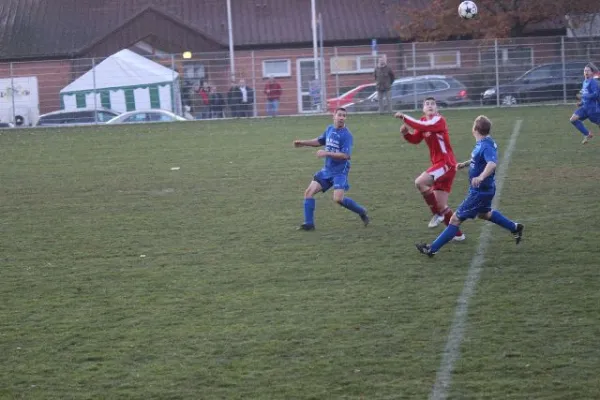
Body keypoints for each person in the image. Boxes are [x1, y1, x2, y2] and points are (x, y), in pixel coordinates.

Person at [415, 115, 524, 257]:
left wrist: (481, 177)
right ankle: (515, 227)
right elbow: (479, 159)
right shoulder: (485, 141)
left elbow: (491, 164)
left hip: (480, 191)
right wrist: (465, 164)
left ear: (475, 130)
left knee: (455, 219)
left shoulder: (485, 145)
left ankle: (432, 249)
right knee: (485, 214)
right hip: (484, 189)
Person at [395, 97, 465, 241]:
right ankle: (458, 235)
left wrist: (404, 117)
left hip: (446, 164)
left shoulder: (439, 120)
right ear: (423, 109)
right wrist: (406, 134)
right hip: (442, 167)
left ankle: (437, 215)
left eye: (433, 104)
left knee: (420, 182)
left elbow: (424, 126)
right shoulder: (423, 122)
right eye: (427, 104)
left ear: (437, 108)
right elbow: (416, 138)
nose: (430, 106)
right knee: (440, 205)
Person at [293, 107, 370, 230]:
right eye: (339, 115)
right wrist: (303, 143)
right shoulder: (329, 129)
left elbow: (346, 156)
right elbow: (319, 141)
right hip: (327, 170)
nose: (341, 118)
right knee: (308, 193)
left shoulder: (346, 135)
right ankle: (309, 224)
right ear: (333, 116)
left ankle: (361, 211)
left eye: (344, 116)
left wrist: (326, 153)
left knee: (338, 199)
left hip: (340, 172)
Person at [570, 63, 600, 144]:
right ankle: (587, 134)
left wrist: (584, 96)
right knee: (573, 119)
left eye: (588, 71)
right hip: (585, 108)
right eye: (585, 70)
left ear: (592, 73)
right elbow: (585, 95)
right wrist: (581, 103)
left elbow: (596, 94)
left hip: (593, 109)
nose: (586, 72)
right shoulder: (585, 82)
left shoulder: (593, 82)